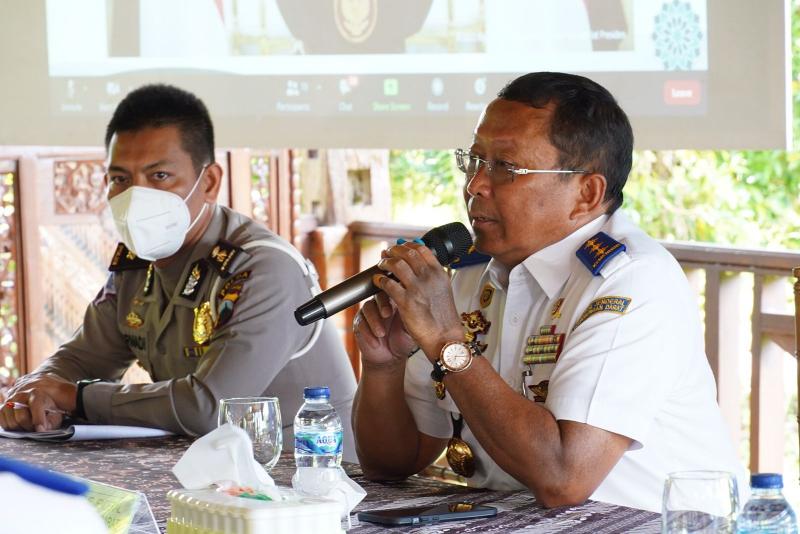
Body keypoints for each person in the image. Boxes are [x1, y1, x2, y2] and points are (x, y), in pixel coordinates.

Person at [352, 72, 744, 512]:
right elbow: (392, 464)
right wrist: (383, 366)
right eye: (474, 160)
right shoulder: (467, 275)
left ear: (586, 193)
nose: (475, 185)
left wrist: (448, 342)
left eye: (505, 167)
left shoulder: (631, 282)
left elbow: (563, 478)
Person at [1, 84, 357, 459]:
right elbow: (81, 358)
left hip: (314, 481)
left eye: (159, 177)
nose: (136, 197)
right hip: (215, 474)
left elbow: (209, 407)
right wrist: (36, 389)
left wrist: (77, 398)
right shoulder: (137, 264)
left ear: (209, 182)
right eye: (121, 179)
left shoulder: (264, 269)